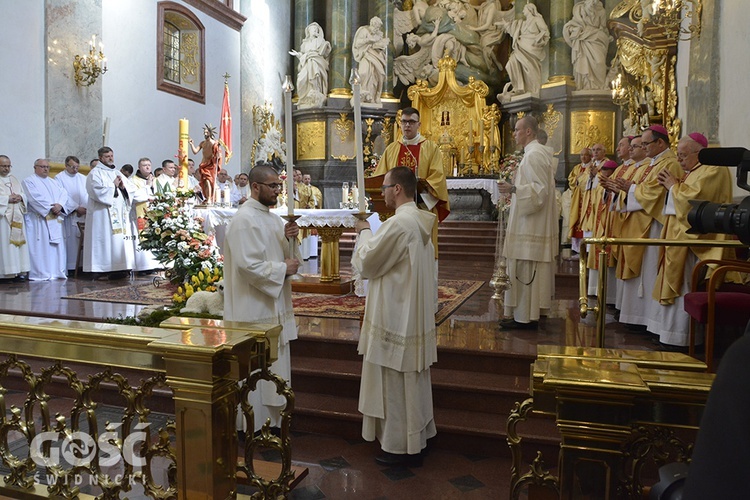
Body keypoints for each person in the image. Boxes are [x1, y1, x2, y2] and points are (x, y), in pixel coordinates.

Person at [352, 166, 438, 467]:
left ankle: (398, 446)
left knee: (394, 377)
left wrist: (363, 230)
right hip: (409, 311)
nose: (382, 192)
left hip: (395, 313)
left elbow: (367, 262)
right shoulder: (419, 220)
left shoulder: (399, 224)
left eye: (385, 187)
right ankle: (419, 436)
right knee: (411, 377)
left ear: (398, 189)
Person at [223, 165, 301, 433]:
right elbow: (247, 265)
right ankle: (252, 426)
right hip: (253, 308)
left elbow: (288, 259)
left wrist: (292, 240)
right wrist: (282, 269)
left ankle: (275, 421)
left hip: (273, 305)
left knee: (274, 366)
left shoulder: (272, 219)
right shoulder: (244, 220)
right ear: (255, 187)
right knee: (256, 370)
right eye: (273, 186)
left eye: (279, 185)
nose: (278, 191)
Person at [650, 133, 735, 348]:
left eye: (683, 155)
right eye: (678, 155)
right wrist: (675, 186)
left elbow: (694, 202)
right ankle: (670, 333)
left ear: (700, 152)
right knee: (679, 281)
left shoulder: (714, 168)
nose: (679, 160)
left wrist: (673, 186)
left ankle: (683, 337)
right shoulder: (695, 170)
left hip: (698, 240)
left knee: (686, 283)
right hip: (682, 235)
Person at [613, 125, 682, 338]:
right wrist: (628, 188)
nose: (643, 148)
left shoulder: (669, 163)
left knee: (651, 270)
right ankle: (642, 318)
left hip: (656, 224)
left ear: (660, 143)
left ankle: (650, 321)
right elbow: (646, 188)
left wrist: (630, 189)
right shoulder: (654, 163)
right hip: (645, 221)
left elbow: (655, 194)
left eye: (646, 144)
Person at [498, 116, 558, 329]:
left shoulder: (534, 156)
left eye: (517, 130)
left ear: (528, 132)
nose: (514, 134)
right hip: (529, 221)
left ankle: (523, 318)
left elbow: (539, 193)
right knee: (523, 267)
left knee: (524, 267)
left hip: (529, 224)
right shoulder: (535, 153)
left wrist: (513, 189)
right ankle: (525, 314)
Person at [374, 107, 450, 257]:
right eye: (404, 122)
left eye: (411, 122)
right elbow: (380, 177)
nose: (407, 125)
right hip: (395, 209)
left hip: (422, 206)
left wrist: (420, 192)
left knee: (422, 251)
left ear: (419, 125)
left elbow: (438, 178)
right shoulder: (391, 149)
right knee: (396, 252)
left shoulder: (430, 148)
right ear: (400, 124)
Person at [83, 146, 135, 277]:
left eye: (111, 155)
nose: (111, 158)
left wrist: (123, 188)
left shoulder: (117, 172)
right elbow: (95, 191)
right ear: (100, 158)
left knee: (118, 240)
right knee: (104, 239)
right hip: (102, 215)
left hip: (119, 214)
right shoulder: (95, 173)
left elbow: (130, 189)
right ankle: (101, 269)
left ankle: (119, 267)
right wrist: (114, 186)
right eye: (107, 156)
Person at [21, 159, 69, 281]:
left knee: (55, 248)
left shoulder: (53, 182)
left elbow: (64, 194)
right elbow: (34, 198)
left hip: (55, 219)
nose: (45, 169)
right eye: (42, 166)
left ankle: (55, 272)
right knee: (40, 247)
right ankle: (40, 273)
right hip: (39, 220)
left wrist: (59, 205)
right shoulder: (29, 181)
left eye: (47, 167)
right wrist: (51, 208)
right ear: (35, 167)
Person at [500, 3, 550, 96]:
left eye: (525, 9)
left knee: (530, 67)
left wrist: (538, 40)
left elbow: (545, 31)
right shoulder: (523, 23)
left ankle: (532, 88)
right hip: (521, 46)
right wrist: (505, 25)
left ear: (530, 10)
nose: (523, 11)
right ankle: (519, 87)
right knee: (511, 63)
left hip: (532, 48)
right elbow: (514, 30)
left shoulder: (537, 19)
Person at [563, 0, 610, 90]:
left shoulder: (601, 11)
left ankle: (599, 85)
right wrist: (575, 30)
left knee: (599, 62)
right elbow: (571, 25)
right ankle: (585, 84)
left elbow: (603, 27)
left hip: (597, 39)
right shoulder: (579, 9)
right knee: (583, 60)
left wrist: (605, 36)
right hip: (583, 39)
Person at [55, 155, 88, 273]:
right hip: (71, 215)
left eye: (77, 167)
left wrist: (85, 207)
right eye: (73, 167)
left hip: (84, 213)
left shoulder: (83, 178)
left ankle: (83, 267)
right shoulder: (59, 178)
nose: (75, 170)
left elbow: (87, 194)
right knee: (72, 243)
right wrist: (76, 208)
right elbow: (63, 196)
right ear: (66, 165)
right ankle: (72, 267)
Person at [0, 155, 30, 281]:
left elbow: (24, 194)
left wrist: (20, 197)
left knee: (17, 246)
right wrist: (7, 199)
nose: (7, 169)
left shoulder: (14, 179)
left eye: (8, 166)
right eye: (3, 166)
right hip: (3, 219)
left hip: (17, 216)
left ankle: (17, 271)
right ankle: (4, 273)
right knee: (5, 244)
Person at [290, 22, 331, 109]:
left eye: (316, 29)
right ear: (308, 31)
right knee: (301, 78)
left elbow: (325, 54)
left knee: (315, 77)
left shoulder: (320, 41)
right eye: (312, 29)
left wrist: (327, 46)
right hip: (307, 61)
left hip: (317, 61)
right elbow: (303, 54)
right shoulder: (304, 44)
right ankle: (304, 98)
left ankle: (315, 94)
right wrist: (298, 54)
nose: (314, 30)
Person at [130, 158, 161, 273]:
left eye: (149, 165)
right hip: (141, 214)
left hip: (155, 214)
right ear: (139, 167)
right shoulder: (133, 180)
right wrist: (147, 187)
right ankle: (144, 266)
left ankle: (156, 263)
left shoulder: (156, 180)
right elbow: (135, 197)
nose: (147, 167)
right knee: (143, 238)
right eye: (144, 165)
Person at [352, 16, 389, 104]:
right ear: (372, 23)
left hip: (377, 56)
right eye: (376, 26)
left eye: (378, 27)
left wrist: (381, 45)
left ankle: (374, 96)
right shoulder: (364, 30)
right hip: (366, 55)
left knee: (378, 76)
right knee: (363, 73)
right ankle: (362, 94)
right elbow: (357, 44)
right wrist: (369, 40)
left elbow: (381, 46)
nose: (377, 29)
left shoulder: (379, 34)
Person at [567, 147, 592, 254]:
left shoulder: (592, 167)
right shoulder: (577, 168)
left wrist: (581, 179)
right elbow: (571, 180)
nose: (583, 157)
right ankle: (576, 247)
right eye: (581, 155)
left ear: (590, 156)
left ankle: (586, 247)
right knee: (576, 219)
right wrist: (577, 179)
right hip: (578, 198)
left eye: (586, 155)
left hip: (587, 198)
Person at [190, 124, 221, 204]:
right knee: (204, 182)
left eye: (207, 132)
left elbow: (218, 155)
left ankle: (210, 198)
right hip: (203, 164)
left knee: (209, 181)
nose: (205, 134)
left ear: (210, 133)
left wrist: (218, 151)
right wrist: (191, 144)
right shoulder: (202, 143)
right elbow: (195, 152)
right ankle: (207, 198)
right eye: (204, 133)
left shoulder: (214, 143)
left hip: (210, 165)